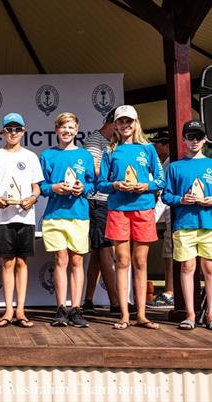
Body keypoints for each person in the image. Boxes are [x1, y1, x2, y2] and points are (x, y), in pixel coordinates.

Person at [98, 105, 164, 330]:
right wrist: (115, 184)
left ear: (136, 123)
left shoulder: (148, 149)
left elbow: (161, 181)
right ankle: (125, 314)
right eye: (121, 122)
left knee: (140, 260)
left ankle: (142, 315)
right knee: (123, 260)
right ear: (115, 125)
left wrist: (146, 186)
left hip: (143, 208)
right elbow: (100, 184)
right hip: (118, 209)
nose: (125, 126)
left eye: (129, 121)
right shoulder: (110, 150)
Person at [161, 121, 212, 331]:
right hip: (184, 224)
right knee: (187, 267)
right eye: (190, 137)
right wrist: (182, 200)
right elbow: (166, 196)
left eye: (198, 137)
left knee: (209, 268)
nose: (195, 141)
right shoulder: (175, 166)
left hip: (209, 223)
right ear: (184, 140)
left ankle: (211, 313)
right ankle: (190, 313)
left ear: (205, 139)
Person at [0, 113, 43, 328]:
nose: (13, 133)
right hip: (3, 217)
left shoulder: (30, 157)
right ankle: (8, 309)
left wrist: (32, 198)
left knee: (21, 262)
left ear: (23, 131)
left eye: (17, 129)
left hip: (25, 216)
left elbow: (36, 187)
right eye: (9, 129)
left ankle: (21, 309)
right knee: (7, 262)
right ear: (3, 132)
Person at [40, 112, 95, 328]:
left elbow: (93, 184)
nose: (67, 131)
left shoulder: (85, 156)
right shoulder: (47, 155)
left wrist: (83, 188)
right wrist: (53, 188)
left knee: (77, 261)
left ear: (77, 130)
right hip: (55, 216)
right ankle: (61, 308)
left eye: (71, 127)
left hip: (79, 215)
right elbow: (40, 186)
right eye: (63, 127)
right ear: (56, 130)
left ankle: (76, 308)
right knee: (60, 260)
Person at [81, 109, 120, 315]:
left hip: (109, 201)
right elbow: (93, 170)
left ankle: (88, 300)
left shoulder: (112, 144)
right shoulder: (94, 141)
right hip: (98, 200)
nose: (122, 129)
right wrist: (117, 173)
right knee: (105, 249)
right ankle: (115, 303)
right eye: (119, 123)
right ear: (111, 122)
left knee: (97, 252)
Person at [148, 130, 175, 309]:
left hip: (174, 215)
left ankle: (171, 293)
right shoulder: (163, 164)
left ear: (166, 145)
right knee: (168, 254)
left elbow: (164, 197)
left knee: (171, 255)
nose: (154, 147)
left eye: (157, 144)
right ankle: (170, 290)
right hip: (168, 217)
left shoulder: (171, 163)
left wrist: (151, 220)